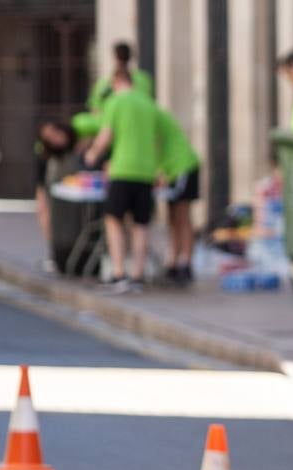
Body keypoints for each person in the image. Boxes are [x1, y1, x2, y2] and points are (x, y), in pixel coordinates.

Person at [83, 71, 161, 292]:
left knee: (113, 220)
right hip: (146, 171)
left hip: (122, 169)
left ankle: (119, 273)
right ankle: (137, 275)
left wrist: (92, 155)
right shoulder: (148, 103)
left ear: (116, 82)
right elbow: (156, 139)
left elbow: (106, 134)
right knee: (141, 224)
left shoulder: (116, 102)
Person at [155, 104, 201, 284]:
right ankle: (173, 260)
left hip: (182, 167)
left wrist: (158, 171)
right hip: (170, 169)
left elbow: (154, 146)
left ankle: (186, 262)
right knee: (172, 217)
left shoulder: (149, 115)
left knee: (183, 215)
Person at [33, 121, 77, 272]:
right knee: (47, 216)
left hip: (73, 196)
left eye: (55, 134)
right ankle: (55, 254)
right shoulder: (46, 155)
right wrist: (41, 201)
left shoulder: (74, 149)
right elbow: (40, 182)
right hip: (54, 194)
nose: (54, 139)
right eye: (48, 137)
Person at [88, 41, 154, 115]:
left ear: (115, 57)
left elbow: (96, 111)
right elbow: (150, 105)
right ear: (131, 56)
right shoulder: (143, 80)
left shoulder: (104, 83)